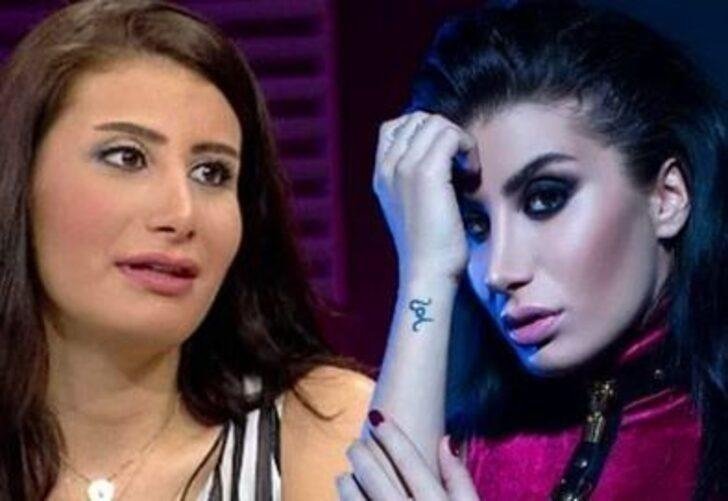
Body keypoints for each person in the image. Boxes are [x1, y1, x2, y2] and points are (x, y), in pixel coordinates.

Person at [337, 2, 728, 500]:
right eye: (474, 225)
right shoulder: (474, 452)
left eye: (546, 199)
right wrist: (425, 270)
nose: (498, 271)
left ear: (667, 198)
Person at [0, 1, 372, 499]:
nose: (182, 214)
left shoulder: (328, 429)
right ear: (20, 182)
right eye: (127, 157)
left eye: (212, 173)